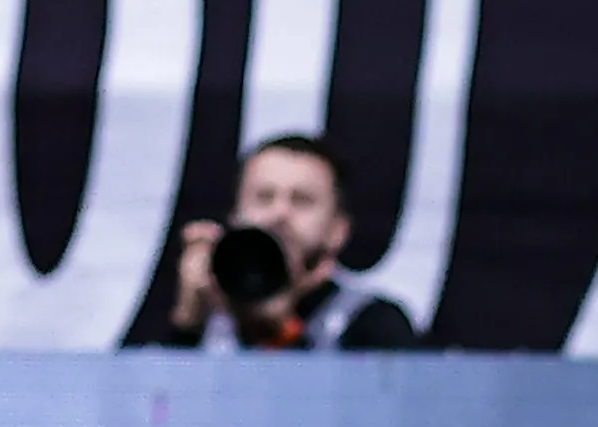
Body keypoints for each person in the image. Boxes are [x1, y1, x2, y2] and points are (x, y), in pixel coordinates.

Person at [164, 134, 421, 351]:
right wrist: (187, 323)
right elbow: (158, 404)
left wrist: (281, 331)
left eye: (302, 200)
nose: (280, 214)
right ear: (235, 216)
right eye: (264, 197)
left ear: (338, 231)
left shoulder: (372, 323)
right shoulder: (206, 316)